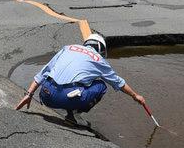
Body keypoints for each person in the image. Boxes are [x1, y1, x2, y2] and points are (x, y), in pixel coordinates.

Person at [15, 34, 146, 123]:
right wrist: (135, 96)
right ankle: (76, 113)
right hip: (66, 97)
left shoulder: (68, 48)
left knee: (74, 81)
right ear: (102, 49)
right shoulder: (99, 59)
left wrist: (29, 94)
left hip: (45, 94)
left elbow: (44, 72)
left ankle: (70, 113)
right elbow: (118, 82)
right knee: (101, 85)